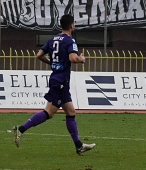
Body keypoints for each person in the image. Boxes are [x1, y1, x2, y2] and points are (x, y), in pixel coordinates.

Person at [12, 14, 95, 155]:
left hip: (57, 79)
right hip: (61, 81)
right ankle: (20, 129)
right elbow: (73, 58)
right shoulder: (70, 40)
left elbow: (39, 55)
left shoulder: (52, 40)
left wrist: (51, 63)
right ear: (72, 25)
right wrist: (81, 59)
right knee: (49, 113)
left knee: (71, 112)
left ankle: (79, 146)